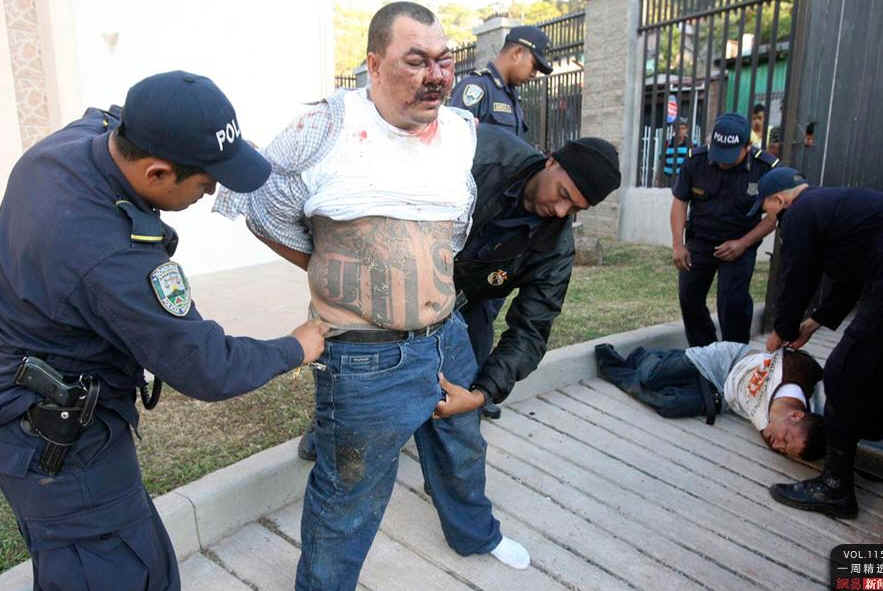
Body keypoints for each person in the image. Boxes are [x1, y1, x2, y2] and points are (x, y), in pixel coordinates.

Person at [213, 4, 529, 589]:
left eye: (444, 60)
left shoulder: (460, 131)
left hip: (447, 336)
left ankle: (475, 534)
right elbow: (260, 206)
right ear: (375, 65)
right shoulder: (324, 128)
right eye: (417, 61)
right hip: (365, 359)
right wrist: (332, 268)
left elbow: (453, 229)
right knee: (348, 494)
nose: (436, 76)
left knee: (463, 447)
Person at [0, 71, 328, 591]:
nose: (213, 190)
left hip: (33, 412)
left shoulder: (73, 146)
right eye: (205, 181)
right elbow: (206, 366)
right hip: (60, 452)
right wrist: (297, 346)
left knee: (113, 558)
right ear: (156, 172)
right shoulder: (112, 257)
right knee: (116, 572)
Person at [298, 124, 621, 457]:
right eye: (563, 194)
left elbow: (532, 330)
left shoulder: (555, 247)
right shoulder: (478, 155)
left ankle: (447, 453)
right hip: (398, 270)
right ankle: (329, 427)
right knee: (361, 357)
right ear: (551, 161)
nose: (561, 212)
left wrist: (482, 393)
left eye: (575, 209)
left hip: (470, 297)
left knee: (462, 389)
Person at [752, 167, 883, 518]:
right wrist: (812, 324)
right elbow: (849, 282)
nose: (771, 220)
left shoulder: (800, 213)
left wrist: (781, 331)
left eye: (767, 211)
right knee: (870, 368)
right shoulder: (836, 209)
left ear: (779, 200)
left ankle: (835, 488)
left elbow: (797, 277)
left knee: (842, 373)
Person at [594, 341, 826, 460]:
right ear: (796, 415)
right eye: (786, 439)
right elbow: (816, 370)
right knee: (651, 377)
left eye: (785, 451)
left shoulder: (772, 432)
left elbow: (797, 439)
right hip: (725, 361)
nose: (777, 446)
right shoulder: (799, 375)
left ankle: (613, 367)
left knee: (668, 405)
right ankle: (646, 357)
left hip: (722, 395)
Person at [670, 112, 780, 347]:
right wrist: (678, 244)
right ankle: (705, 352)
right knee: (689, 297)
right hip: (700, 240)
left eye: (729, 156)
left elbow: (773, 217)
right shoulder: (696, 161)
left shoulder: (764, 168)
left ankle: (734, 353)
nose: (722, 162)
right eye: (718, 153)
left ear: (747, 147)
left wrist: (743, 243)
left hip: (742, 242)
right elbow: (680, 202)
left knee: (732, 303)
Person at [450, 25, 553, 139]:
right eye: (534, 66)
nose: (534, 74)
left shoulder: (511, 96)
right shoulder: (477, 87)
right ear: (517, 53)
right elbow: (454, 139)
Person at [660, 117, 692, 185]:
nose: (680, 131)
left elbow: (692, 160)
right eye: (678, 128)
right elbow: (662, 160)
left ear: (687, 130)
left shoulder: (691, 144)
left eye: (683, 128)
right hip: (668, 179)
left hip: (683, 179)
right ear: (674, 129)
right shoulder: (668, 143)